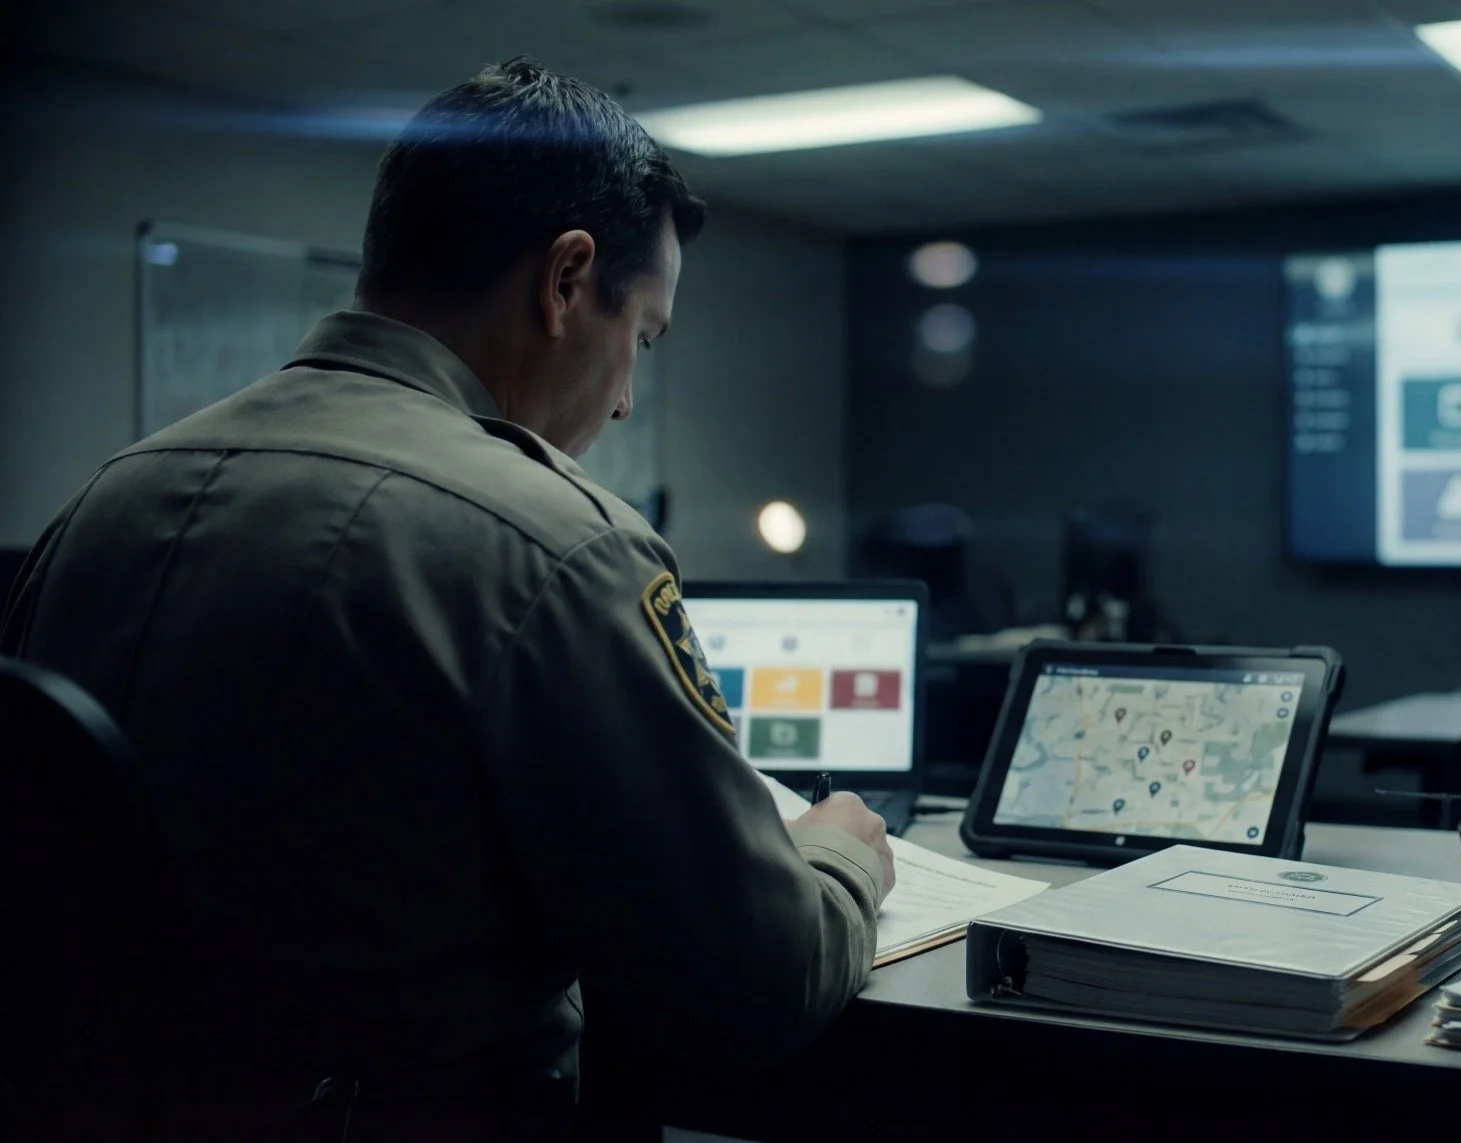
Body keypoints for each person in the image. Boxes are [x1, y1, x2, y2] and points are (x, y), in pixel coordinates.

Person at [0, 57, 892, 1138]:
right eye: (640, 340)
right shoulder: (558, 544)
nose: (621, 405)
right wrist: (842, 850)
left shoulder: (98, 504)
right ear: (565, 282)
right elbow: (755, 986)